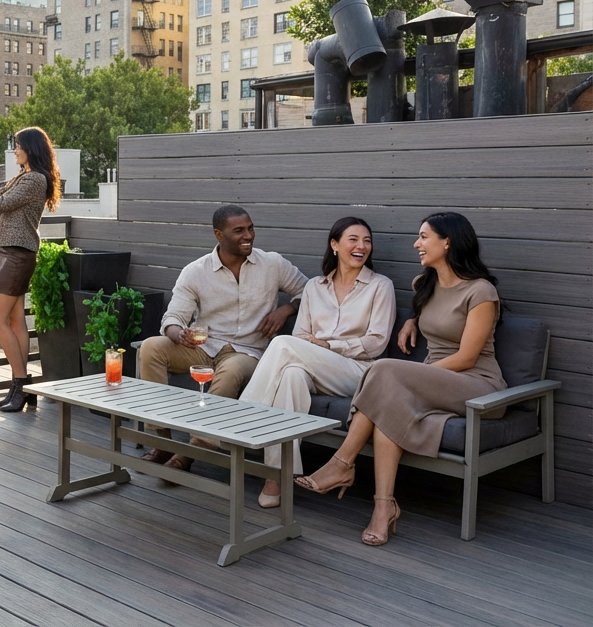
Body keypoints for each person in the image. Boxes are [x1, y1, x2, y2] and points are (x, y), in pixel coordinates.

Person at [297, 212, 503, 546]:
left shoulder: (481, 291)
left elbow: (467, 357)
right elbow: (432, 315)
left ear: (447, 242)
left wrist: (413, 377)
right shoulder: (425, 284)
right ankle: (383, 509)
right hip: (432, 382)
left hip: (476, 383)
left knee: (385, 370)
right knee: (386, 411)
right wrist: (413, 321)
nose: (416, 243)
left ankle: (341, 462)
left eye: (424, 236)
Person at [137, 204, 307, 477]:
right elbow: (171, 320)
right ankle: (161, 441)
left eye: (250, 228)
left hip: (248, 352)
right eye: (238, 230)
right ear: (219, 234)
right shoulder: (196, 271)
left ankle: (192, 452)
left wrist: (286, 308)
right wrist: (179, 333)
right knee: (150, 348)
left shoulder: (272, 264)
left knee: (230, 372)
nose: (248, 235)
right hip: (204, 347)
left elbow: (309, 290)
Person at [239, 217, 395, 508]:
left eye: (367, 241)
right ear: (335, 245)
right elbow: (301, 336)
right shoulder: (314, 287)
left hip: (359, 373)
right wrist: (315, 348)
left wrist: (328, 345)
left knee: (283, 345)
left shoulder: (380, 286)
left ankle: (242, 419)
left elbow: (377, 341)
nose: (361, 246)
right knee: (292, 375)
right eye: (353, 239)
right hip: (313, 366)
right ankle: (277, 476)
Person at [0, 127, 61, 413]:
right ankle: (21, 388)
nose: (14, 150)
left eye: (18, 146)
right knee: (15, 321)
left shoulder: (35, 179)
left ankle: (21, 384)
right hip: (11, 254)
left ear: (31, 148)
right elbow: (5, 202)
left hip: (17, 256)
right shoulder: (26, 177)